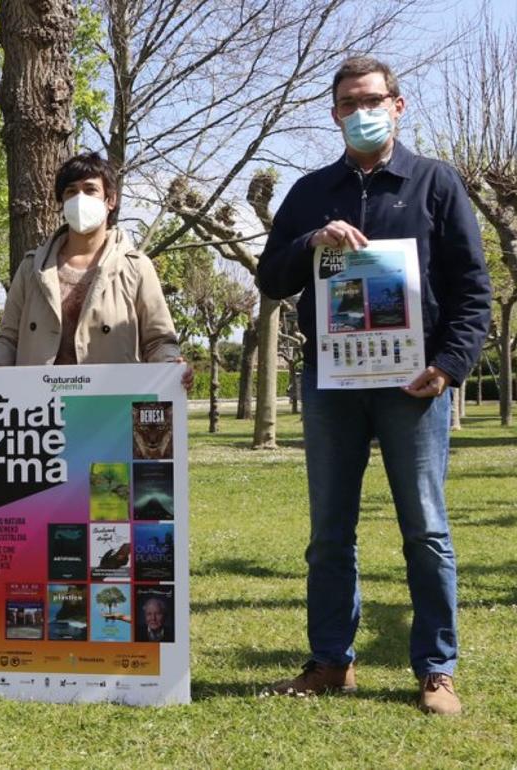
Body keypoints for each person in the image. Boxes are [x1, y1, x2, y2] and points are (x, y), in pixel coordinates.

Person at [256, 56, 491, 716]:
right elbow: (270, 278)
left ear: (397, 105)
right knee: (330, 532)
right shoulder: (310, 191)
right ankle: (331, 662)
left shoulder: (436, 182)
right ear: (334, 114)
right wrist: (311, 241)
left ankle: (437, 669)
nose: (361, 112)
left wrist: (449, 366)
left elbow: (473, 289)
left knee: (426, 529)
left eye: (372, 100)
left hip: (415, 386)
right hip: (331, 384)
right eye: (348, 103)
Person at [0, 152, 192, 389]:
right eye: (71, 191)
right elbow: (8, 342)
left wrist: (171, 365)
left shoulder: (136, 267)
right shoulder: (31, 268)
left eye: (90, 190)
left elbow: (158, 340)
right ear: (62, 202)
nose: (80, 198)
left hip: (111, 402)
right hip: (39, 405)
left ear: (110, 200)